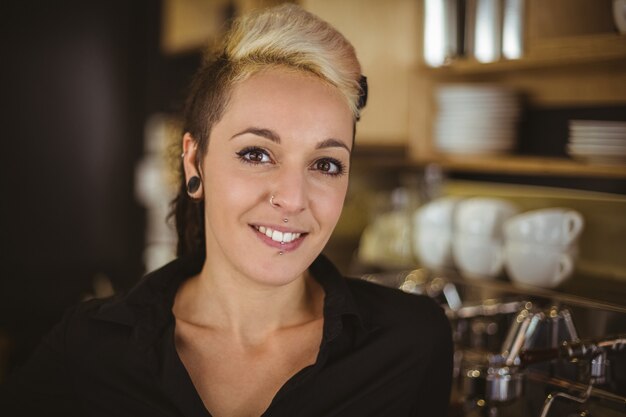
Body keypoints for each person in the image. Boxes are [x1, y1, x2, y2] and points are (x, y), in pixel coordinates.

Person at [1, 4, 452, 416]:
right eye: (256, 154)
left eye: (326, 164)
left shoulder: (411, 341)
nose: (293, 198)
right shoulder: (90, 347)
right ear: (195, 162)